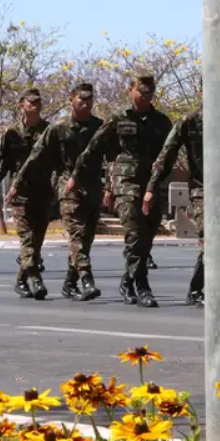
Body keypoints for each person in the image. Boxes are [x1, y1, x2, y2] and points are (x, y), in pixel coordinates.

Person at [72, 75, 173, 308]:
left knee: (146, 239)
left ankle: (127, 281)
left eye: (150, 93)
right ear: (131, 91)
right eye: (141, 92)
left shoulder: (161, 121)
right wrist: (77, 175)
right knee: (134, 236)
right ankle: (143, 287)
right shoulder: (118, 119)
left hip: (152, 185)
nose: (145, 97)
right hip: (125, 185)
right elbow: (94, 148)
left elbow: (168, 155)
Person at [19, 82, 104, 300]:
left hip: (93, 187)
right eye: (81, 99)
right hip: (67, 186)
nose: (85, 104)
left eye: (89, 100)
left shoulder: (100, 126)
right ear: (71, 100)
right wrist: (17, 183)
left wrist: (111, 187)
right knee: (76, 234)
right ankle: (86, 278)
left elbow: (110, 157)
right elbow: (35, 157)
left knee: (86, 239)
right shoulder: (58, 128)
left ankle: (69, 282)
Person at [0, 89, 51, 297]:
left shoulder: (49, 131)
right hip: (19, 194)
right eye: (31, 103)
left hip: (43, 192)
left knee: (36, 242)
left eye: (38, 102)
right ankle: (36, 279)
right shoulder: (11, 133)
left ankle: (20, 281)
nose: (36, 106)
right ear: (22, 106)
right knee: (27, 239)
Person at [146, 108, 204, 304]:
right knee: (212, 240)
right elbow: (167, 154)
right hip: (202, 189)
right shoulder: (189, 121)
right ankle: (196, 289)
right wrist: (152, 187)